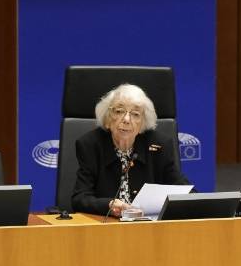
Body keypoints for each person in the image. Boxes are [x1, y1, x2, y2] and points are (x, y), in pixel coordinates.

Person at [71, 83, 189, 216]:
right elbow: (79, 199)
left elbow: (182, 190)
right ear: (107, 119)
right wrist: (108, 205)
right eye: (119, 111)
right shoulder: (90, 145)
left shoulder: (159, 145)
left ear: (143, 123)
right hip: (105, 227)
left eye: (135, 114)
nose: (126, 119)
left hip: (149, 228)